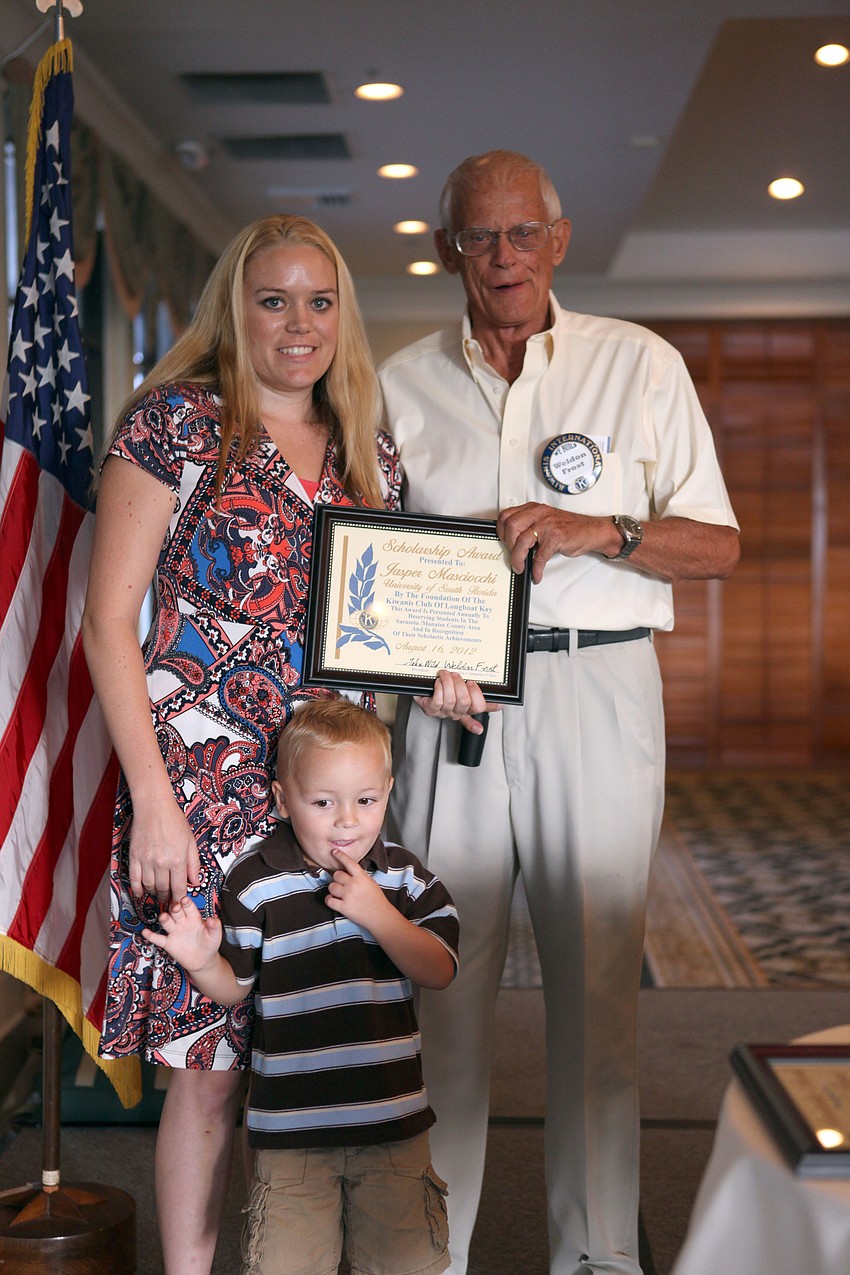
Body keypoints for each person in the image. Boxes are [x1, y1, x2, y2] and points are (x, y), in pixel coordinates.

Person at [378, 150, 740, 1275]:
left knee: (598, 991)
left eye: (521, 233)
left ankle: (595, 1257)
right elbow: (366, 570)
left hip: (599, 684)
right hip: (449, 709)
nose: (502, 258)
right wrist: (402, 663)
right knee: (438, 987)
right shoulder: (395, 380)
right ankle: (430, 1254)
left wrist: (603, 531)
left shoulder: (639, 365)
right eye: (478, 238)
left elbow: (718, 545)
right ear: (446, 251)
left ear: (560, 241)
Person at [81, 214, 402, 1275]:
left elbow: (382, 631)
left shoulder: (368, 444)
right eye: (274, 299)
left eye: (319, 301)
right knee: (210, 1066)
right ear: (236, 307)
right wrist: (154, 802)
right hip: (199, 791)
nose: (299, 323)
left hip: (325, 799)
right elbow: (107, 621)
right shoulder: (175, 426)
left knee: (312, 1057)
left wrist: (442, 678)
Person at [142, 698, 458, 1275]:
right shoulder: (257, 881)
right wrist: (199, 958)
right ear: (283, 799)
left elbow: (438, 970)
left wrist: (378, 915)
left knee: (402, 1263)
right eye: (322, 803)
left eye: (366, 801)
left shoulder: (407, 881)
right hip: (290, 1139)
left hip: (390, 1127)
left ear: (388, 789)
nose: (347, 821)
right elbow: (235, 989)